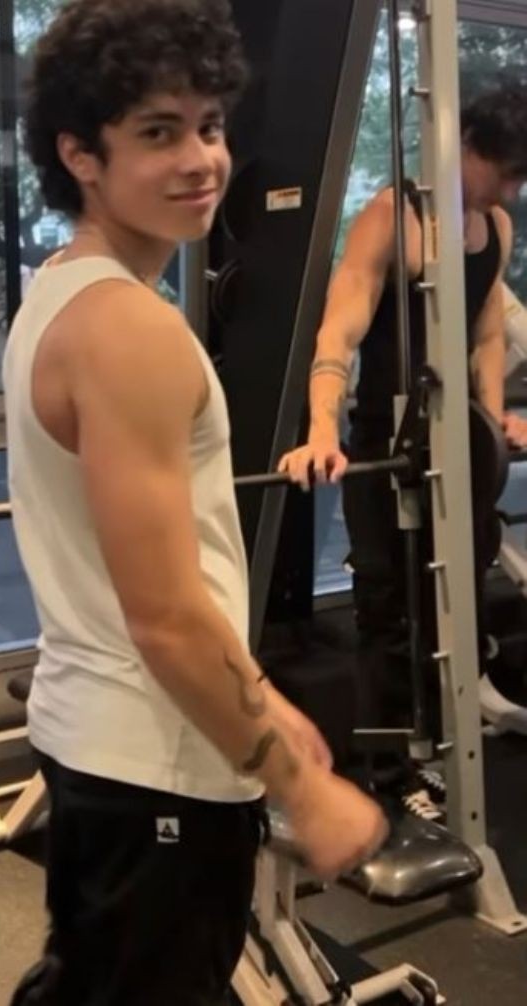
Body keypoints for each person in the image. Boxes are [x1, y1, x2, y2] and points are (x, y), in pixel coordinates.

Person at [2, 2, 387, 1003]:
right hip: (158, 765)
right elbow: (167, 617)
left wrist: (265, 708)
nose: (201, 161)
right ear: (80, 155)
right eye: (159, 133)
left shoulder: (59, 291)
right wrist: (301, 786)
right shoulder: (129, 330)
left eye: (209, 127)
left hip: (108, 742)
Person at [279, 83, 527, 822]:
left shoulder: (495, 225)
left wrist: (491, 422)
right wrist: (321, 430)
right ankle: (386, 776)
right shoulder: (395, 217)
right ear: (467, 147)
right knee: (387, 613)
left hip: (457, 446)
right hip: (387, 444)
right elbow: (339, 330)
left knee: (452, 604)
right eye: (506, 171)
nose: (512, 189)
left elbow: (487, 332)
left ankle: (439, 747)